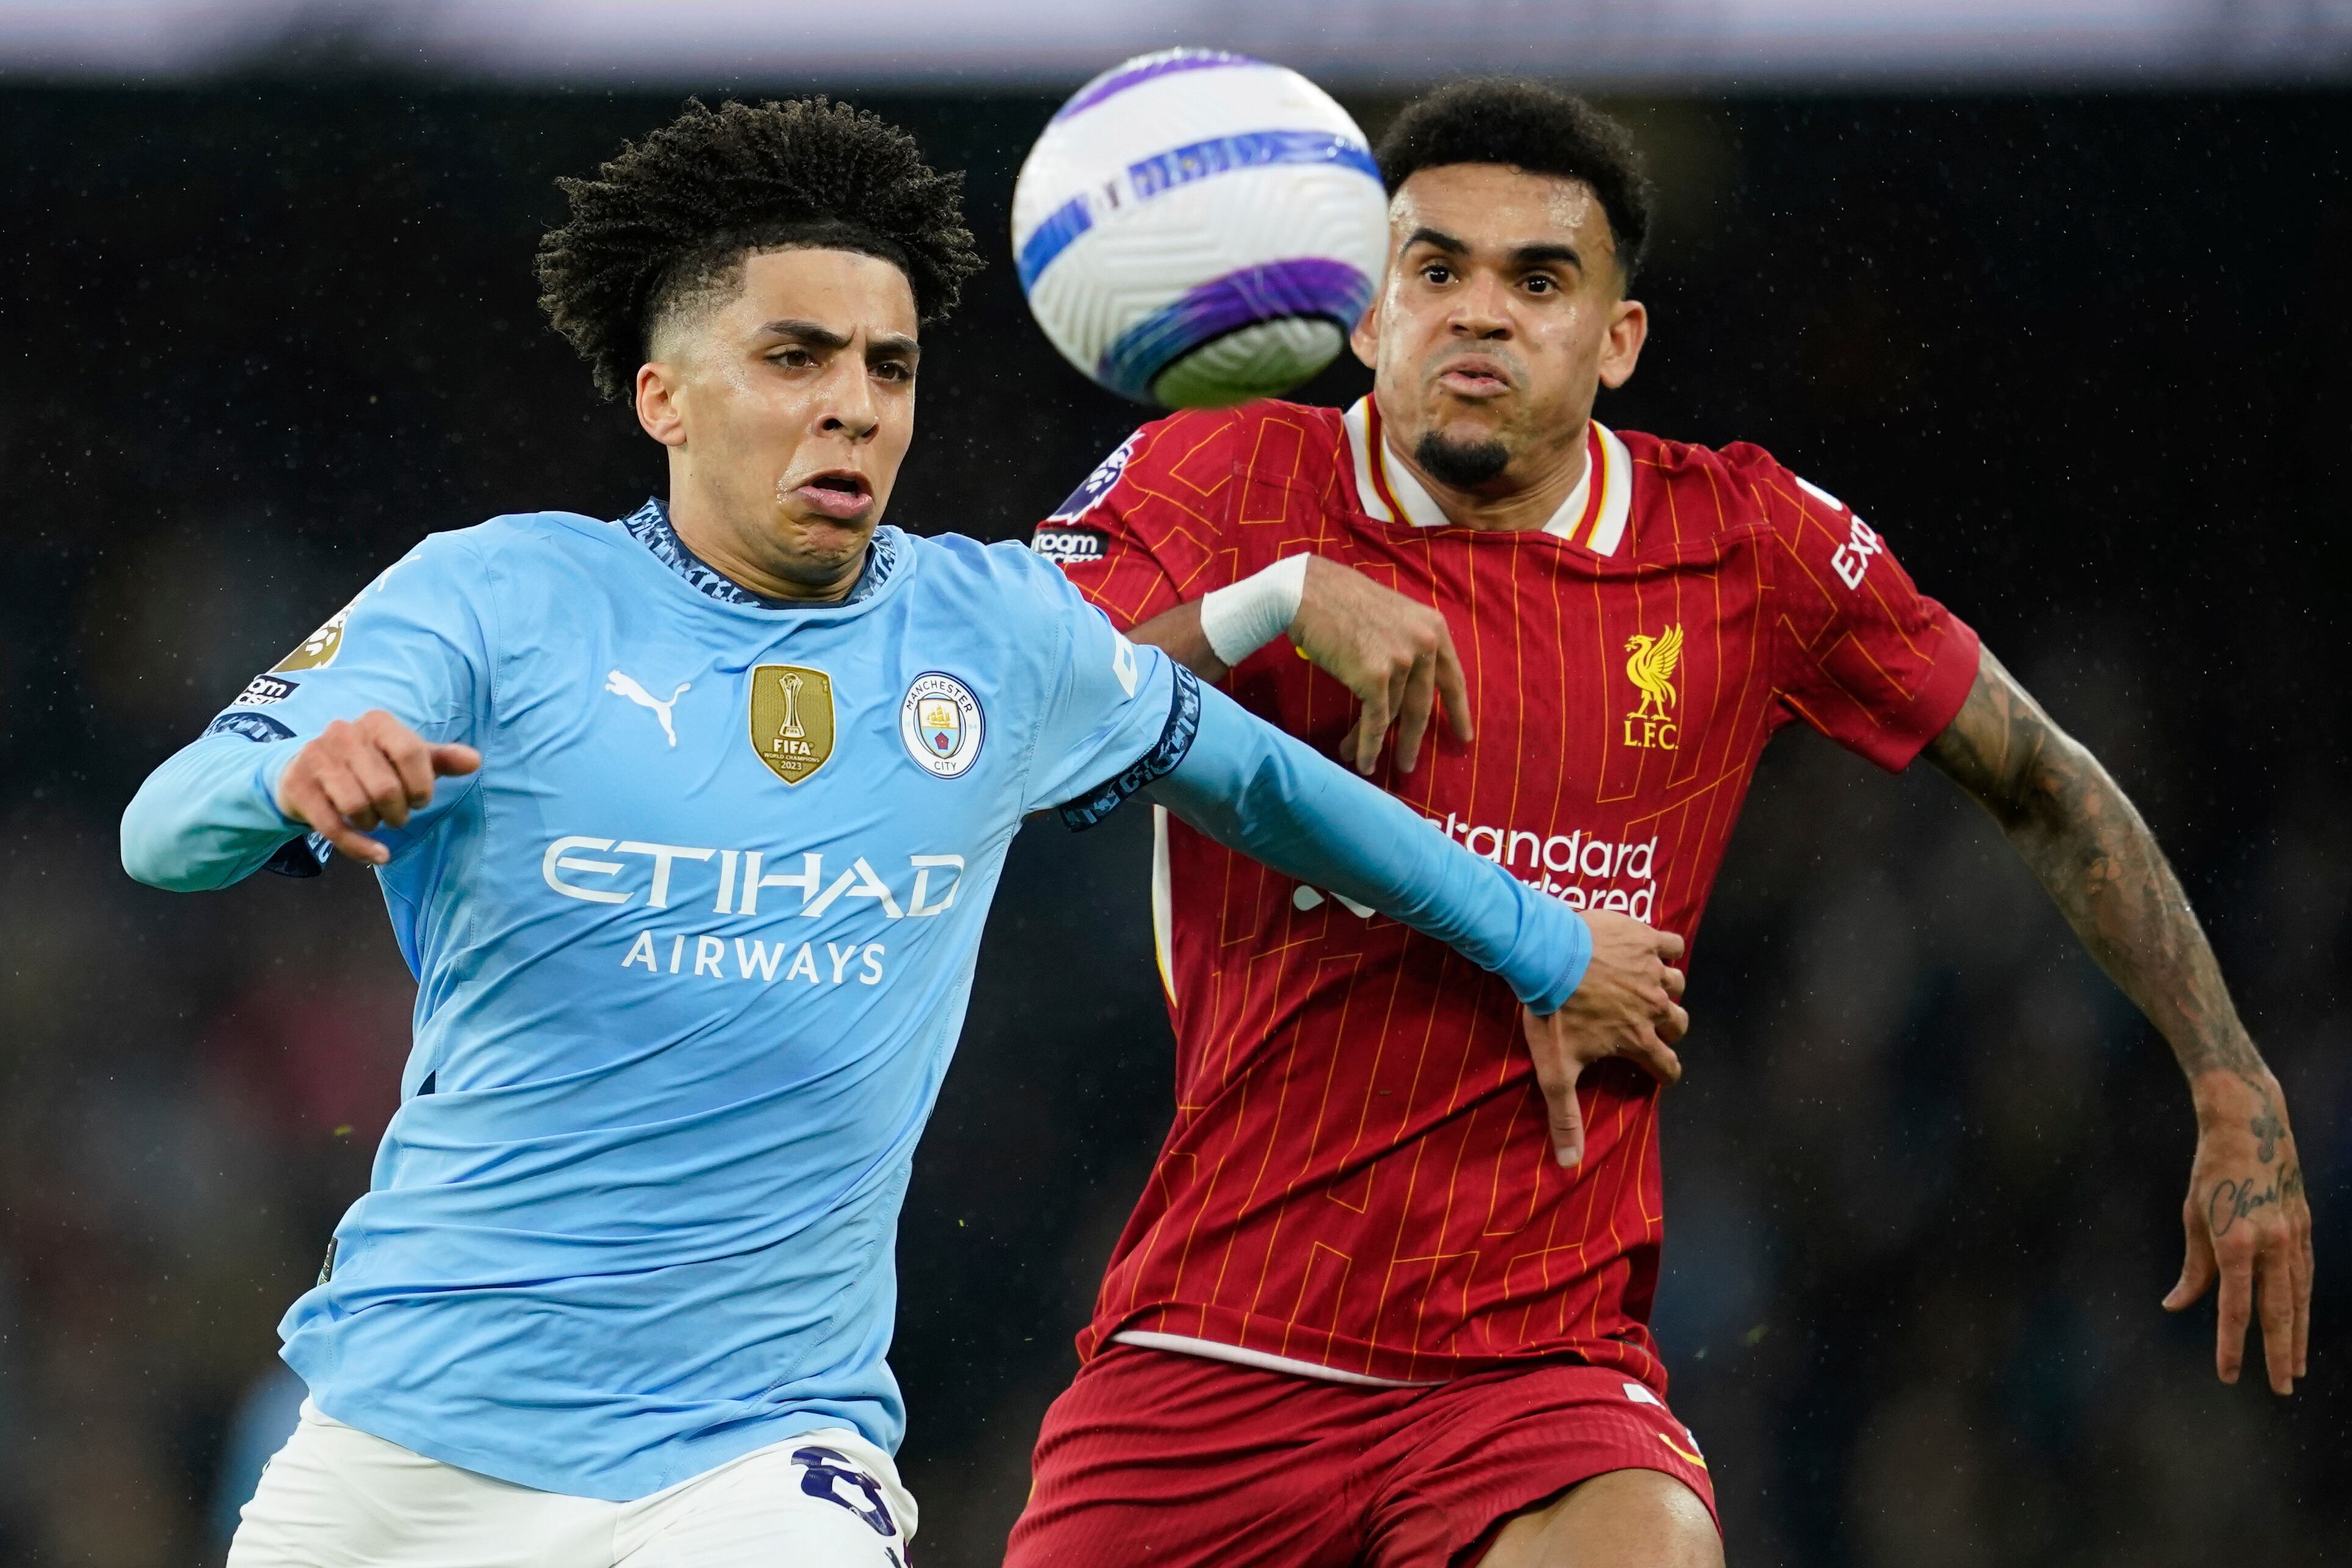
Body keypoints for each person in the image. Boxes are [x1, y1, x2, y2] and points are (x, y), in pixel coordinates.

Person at [119, 98, 1686, 1567]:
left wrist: (1540, 940)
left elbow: (1267, 783)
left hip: (757, 1453)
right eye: (797, 358)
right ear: (663, 393)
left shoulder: (992, 631)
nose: (853, 407)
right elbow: (161, 829)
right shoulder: (498, 595)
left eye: (888, 366)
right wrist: (293, 773)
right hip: (412, 1437)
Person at [1011, 79, 2313, 1568]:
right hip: (1219, 1346)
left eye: (1539, 279)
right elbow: (1000, 723)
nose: (1479, 315)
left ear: (1617, 340)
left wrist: (2228, 1075)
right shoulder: (1234, 479)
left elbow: (2039, 773)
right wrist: (1271, 609)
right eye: (1434, 270)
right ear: (1366, 314)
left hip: (1538, 1375)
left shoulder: (1742, 544)